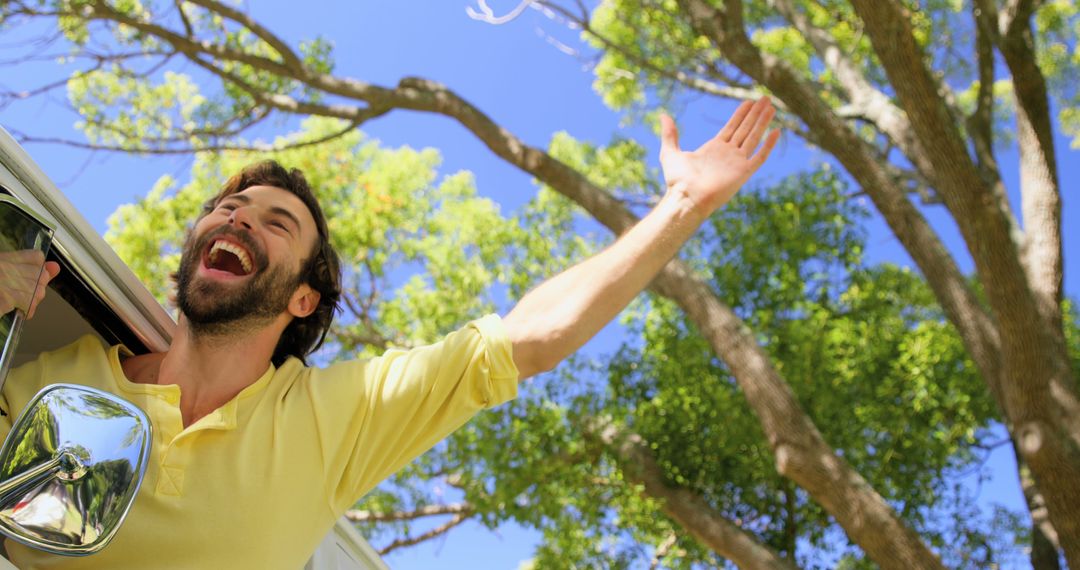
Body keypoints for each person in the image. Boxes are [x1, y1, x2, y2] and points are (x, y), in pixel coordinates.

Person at [0, 98, 779, 568]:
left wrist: (680, 206)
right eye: (227, 209)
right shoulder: (53, 373)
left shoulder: (332, 420)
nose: (237, 217)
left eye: (278, 221)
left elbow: (529, 339)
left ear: (303, 300)